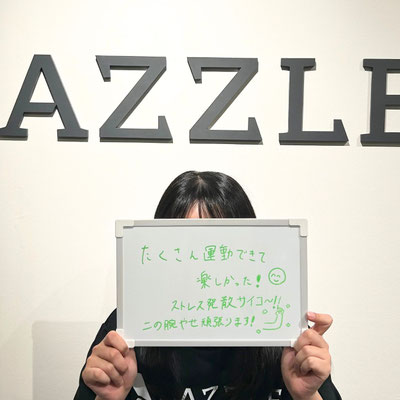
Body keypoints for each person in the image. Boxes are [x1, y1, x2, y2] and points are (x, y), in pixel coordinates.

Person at [74, 171, 341, 400]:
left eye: (221, 247)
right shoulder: (127, 330)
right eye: (185, 247)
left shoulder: (284, 331)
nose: (203, 265)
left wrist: (306, 396)